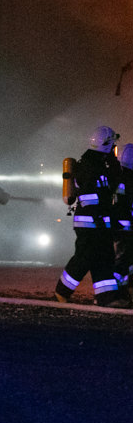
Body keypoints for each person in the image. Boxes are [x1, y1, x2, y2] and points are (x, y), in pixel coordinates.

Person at [55, 126, 127, 307]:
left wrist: (113, 161)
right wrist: (99, 218)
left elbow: (115, 181)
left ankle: (105, 297)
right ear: (107, 144)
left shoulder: (101, 164)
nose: (114, 149)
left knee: (104, 257)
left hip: (100, 222)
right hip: (89, 223)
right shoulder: (88, 166)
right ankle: (61, 292)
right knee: (84, 258)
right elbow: (89, 197)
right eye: (112, 145)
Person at [113, 143, 133, 307]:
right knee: (124, 262)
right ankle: (120, 294)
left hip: (117, 227)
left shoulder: (117, 177)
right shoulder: (129, 179)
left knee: (123, 261)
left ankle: (122, 293)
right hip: (126, 228)